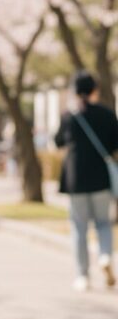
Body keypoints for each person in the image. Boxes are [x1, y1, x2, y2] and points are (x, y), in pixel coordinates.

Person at [54, 71, 118, 291]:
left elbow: (58, 141)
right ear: (94, 90)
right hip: (101, 180)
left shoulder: (69, 116)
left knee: (79, 228)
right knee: (103, 223)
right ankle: (105, 256)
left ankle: (83, 276)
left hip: (76, 181)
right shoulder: (107, 114)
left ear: (74, 91)